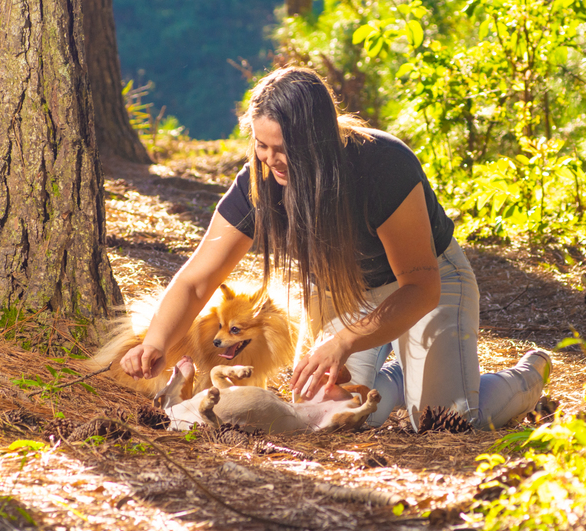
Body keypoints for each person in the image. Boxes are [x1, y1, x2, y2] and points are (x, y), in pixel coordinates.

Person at [119, 66, 550, 429]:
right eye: (261, 146)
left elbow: (420, 287)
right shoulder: (262, 179)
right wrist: (155, 343)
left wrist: (343, 342)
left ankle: (528, 375)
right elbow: (199, 278)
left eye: (283, 149)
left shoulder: (383, 165)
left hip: (424, 286)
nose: (270, 160)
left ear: (317, 140)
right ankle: (403, 374)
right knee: (330, 409)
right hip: (346, 290)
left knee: (444, 420)